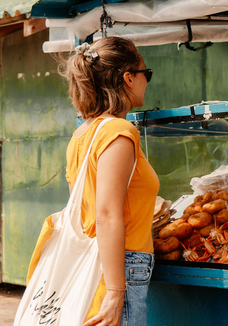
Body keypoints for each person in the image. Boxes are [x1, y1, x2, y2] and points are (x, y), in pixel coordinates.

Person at [29, 37, 160, 326]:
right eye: (145, 73)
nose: (146, 81)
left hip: (93, 261)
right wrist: (115, 291)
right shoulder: (119, 132)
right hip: (117, 266)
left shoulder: (83, 135)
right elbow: (106, 215)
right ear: (128, 78)